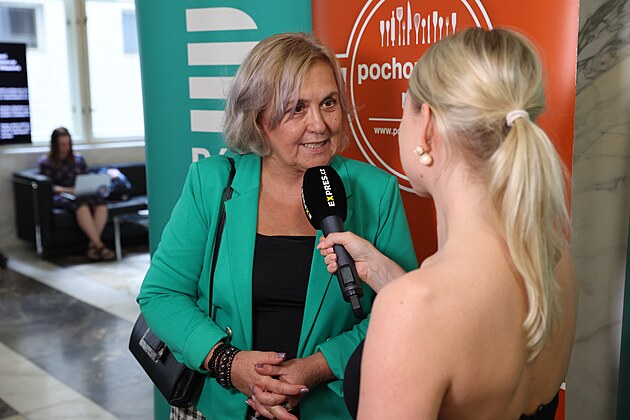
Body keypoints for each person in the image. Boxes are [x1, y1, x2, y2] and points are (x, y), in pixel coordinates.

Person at [137, 32, 417, 420]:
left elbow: (402, 310)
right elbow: (162, 294)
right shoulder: (211, 183)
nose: (319, 124)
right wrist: (227, 362)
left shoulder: (376, 191)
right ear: (258, 118)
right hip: (219, 409)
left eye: (328, 103)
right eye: (296, 108)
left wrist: (319, 366)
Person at [318, 27, 577, 420]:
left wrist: (404, 299)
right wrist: (389, 278)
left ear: (427, 127)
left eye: (405, 106)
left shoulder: (414, 309)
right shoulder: (555, 264)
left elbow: (436, 322)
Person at [39, 127, 115, 261]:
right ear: (55, 145)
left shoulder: (78, 159)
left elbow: (86, 178)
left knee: (101, 204)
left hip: (81, 192)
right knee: (82, 206)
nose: (65, 147)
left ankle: (92, 246)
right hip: (62, 194)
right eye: (61, 144)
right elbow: (51, 187)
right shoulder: (46, 162)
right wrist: (71, 190)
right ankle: (100, 246)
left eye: (67, 144)